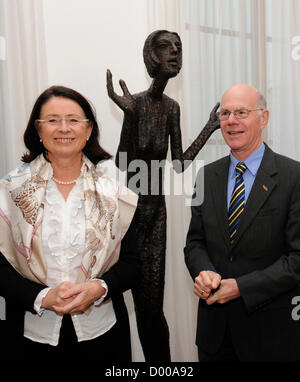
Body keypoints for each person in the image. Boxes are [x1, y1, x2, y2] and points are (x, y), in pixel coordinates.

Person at [0, 85, 139, 361]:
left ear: (88, 131)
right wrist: (42, 297)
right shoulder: (10, 192)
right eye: (52, 120)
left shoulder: (116, 195)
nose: (64, 128)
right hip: (29, 338)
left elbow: (134, 264)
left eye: (74, 120)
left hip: (103, 336)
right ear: (38, 131)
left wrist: (99, 288)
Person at [106, 30, 220, 361]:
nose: (174, 52)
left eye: (178, 47)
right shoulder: (136, 104)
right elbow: (121, 161)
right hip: (127, 214)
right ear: (151, 55)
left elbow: (181, 164)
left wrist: (209, 129)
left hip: (156, 214)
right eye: (165, 47)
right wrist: (129, 118)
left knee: (151, 306)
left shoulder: (172, 107)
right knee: (132, 302)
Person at [184, 83, 300, 362]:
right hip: (215, 336)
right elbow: (195, 243)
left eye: (241, 112)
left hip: (272, 338)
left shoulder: (293, 177)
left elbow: (297, 259)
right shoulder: (205, 177)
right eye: (225, 114)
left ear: (264, 117)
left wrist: (241, 287)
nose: (231, 121)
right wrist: (204, 273)